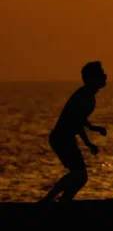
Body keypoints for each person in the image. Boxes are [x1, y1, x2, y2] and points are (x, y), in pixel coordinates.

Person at [40, 61, 108, 202]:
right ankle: (53, 200)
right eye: (101, 74)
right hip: (61, 138)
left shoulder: (88, 95)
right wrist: (88, 143)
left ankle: (60, 200)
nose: (105, 76)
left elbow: (81, 119)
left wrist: (94, 128)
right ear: (92, 79)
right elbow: (77, 122)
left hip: (65, 138)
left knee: (78, 175)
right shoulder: (85, 96)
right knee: (80, 175)